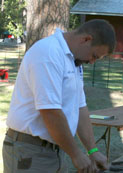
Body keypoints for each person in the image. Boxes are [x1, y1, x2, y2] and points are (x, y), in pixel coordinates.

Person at [2, 19, 116, 173]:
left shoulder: (73, 60)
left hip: (55, 151)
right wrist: (76, 154)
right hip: (29, 151)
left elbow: (80, 107)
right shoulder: (48, 53)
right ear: (86, 39)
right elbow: (50, 112)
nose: (92, 61)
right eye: (94, 55)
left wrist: (92, 151)